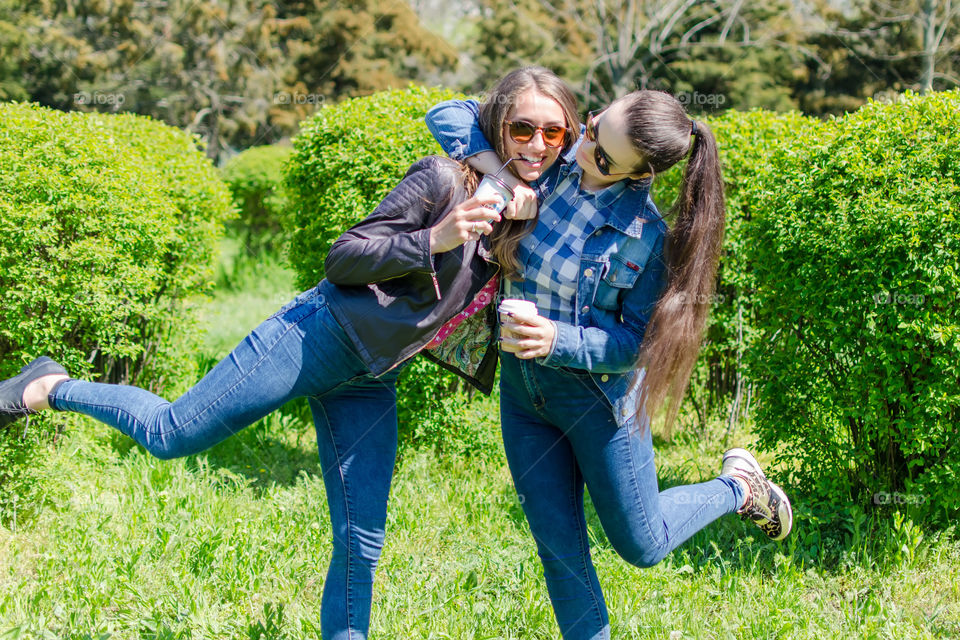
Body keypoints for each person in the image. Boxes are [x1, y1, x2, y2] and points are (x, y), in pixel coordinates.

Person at [0, 67, 581, 640]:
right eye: (521, 128)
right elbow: (344, 257)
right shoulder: (444, 179)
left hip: (373, 375)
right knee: (170, 433)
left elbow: (609, 151)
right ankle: (50, 386)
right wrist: (433, 239)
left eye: (552, 132)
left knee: (362, 540)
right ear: (496, 126)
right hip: (316, 336)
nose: (537, 144)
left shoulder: (542, 198)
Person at [426, 82, 793, 639]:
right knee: (559, 552)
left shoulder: (646, 237)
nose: (582, 148)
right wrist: (504, 179)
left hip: (597, 401)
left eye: (602, 157)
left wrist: (558, 339)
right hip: (523, 393)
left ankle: (739, 487)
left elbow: (633, 345)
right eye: (593, 128)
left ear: (638, 173)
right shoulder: (551, 160)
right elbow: (448, 113)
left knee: (643, 545)